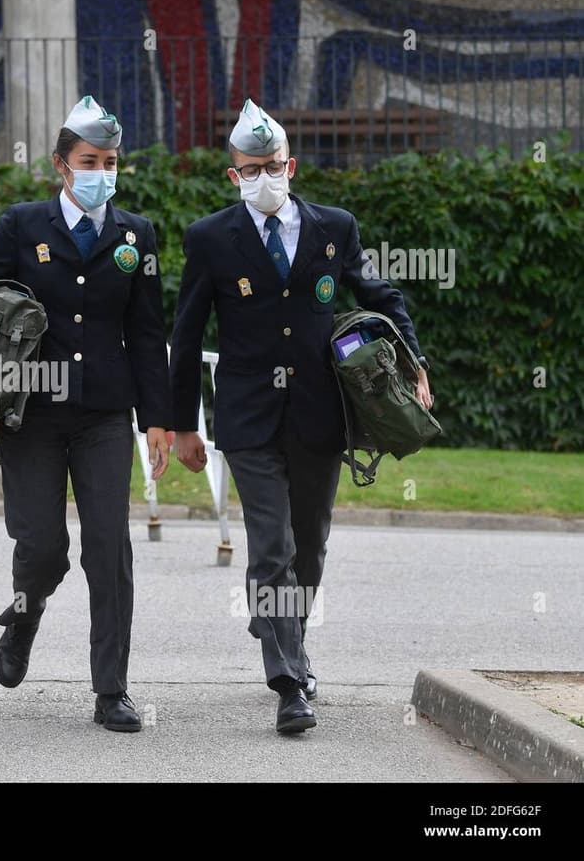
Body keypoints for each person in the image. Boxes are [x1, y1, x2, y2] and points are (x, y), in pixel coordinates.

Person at [169, 99, 433, 734]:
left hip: (320, 414)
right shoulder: (210, 238)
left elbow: (380, 296)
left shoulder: (335, 227)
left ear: (291, 164)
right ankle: (289, 680)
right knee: (273, 545)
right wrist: (182, 424)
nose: (264, 176)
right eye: (250, 169)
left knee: (309, 546)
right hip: (248, 417)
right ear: (233, 173)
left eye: (273, 165)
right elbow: (183, 332)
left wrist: (415, 361)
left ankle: (285, 624)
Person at [0, 97, 171, 732]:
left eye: (111, 161)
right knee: (42, 546)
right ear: (62, 166)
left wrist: (159, 418)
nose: (101, 171)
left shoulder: (135, 234)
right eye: (89, 160)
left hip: (104, 415)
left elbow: (147, 334)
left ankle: (111, 689)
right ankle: (26, 613)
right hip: (31, 411)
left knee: (109, 550)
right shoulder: (23, 225)